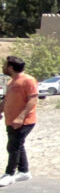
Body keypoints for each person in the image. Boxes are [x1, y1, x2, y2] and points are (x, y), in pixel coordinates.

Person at [0, 55, 38, 186]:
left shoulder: (28, 80)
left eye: (5, 65)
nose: (3, 67)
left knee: (13, 146)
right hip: (11, 120)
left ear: (10, 67)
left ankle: (9, 174)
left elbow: (33, 99)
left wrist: (21, 117)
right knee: (17, 145)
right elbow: (6, 100)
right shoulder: (11, 82)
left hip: (24, 121)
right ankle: (24, 172)